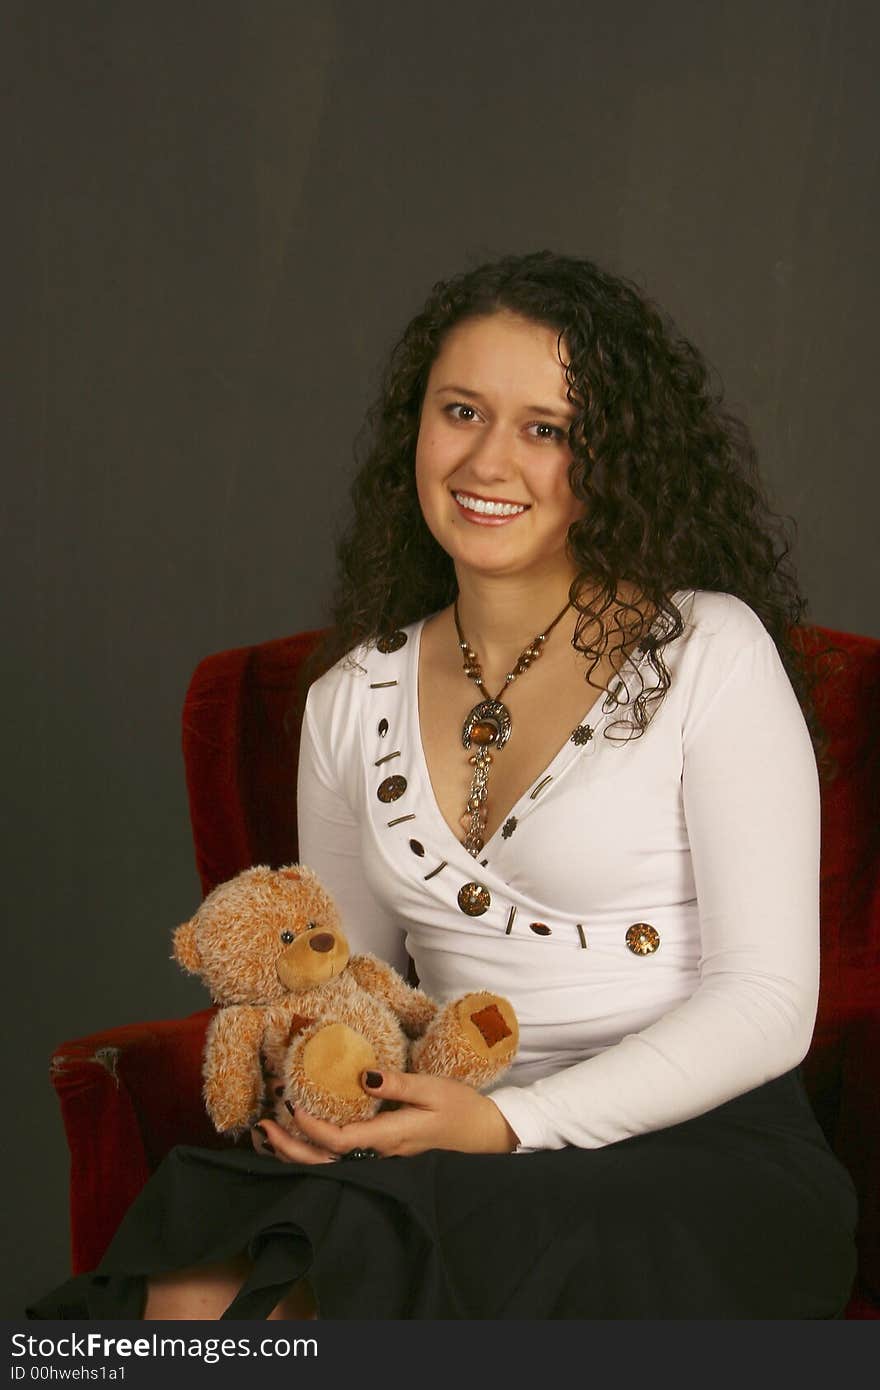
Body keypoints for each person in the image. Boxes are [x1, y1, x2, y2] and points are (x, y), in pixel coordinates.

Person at [31, 251, 858, 1320]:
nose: (489, 459)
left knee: (311, 1292)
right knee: (192, 1291)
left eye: (545, 427)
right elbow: (356, 986)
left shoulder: (708, 648)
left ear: (612, 457)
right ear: (413, 430)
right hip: (446, 1137)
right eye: (460, 409)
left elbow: (767, 1005)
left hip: (698, 1161)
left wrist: (511, 1123)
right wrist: (332, 1088)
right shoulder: (346, 699)